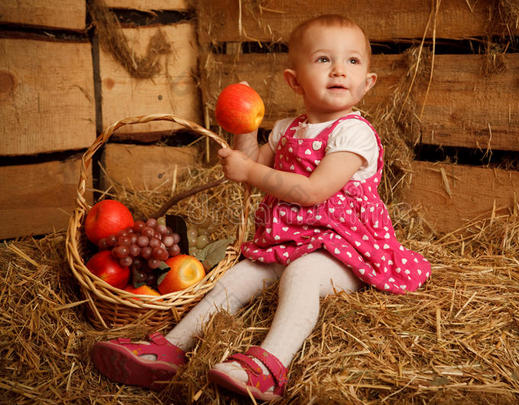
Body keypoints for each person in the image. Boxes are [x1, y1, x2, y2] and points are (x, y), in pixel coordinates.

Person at [91, 14, 431, 401]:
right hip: (290, 239)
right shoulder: (288, 127)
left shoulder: (354, 132)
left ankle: (270, 366)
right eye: (323, 60)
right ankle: (169, 350)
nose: (339, 70)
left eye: (352, 61)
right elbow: (252, 160)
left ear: (367, 81)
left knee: (301, 275)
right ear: (294, 80)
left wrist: (249, 170)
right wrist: (245, 126)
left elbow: (311, 192)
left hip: (345, 248)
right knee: (238, 277)